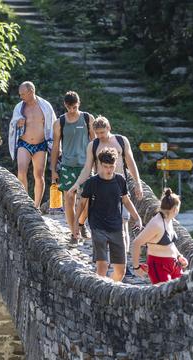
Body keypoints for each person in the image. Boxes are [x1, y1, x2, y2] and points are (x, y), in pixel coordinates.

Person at [68, 116, 143, 273]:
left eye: (102, 132)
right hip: (100, 187)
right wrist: (76, 184)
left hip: (119, 185)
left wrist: (137, 183)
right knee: (99, 222)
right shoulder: (93, 145)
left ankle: (124, 261)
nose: (100, 136)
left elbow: (131, 162)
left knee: (122, 223)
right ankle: (102, 259)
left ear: (109, 128)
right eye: (97, 133)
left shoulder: (121, 141)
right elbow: (87, 168)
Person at [77, 148, 143, 282]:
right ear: (99, 164)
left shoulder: (120, 180)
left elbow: (125, 200)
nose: (108, 170)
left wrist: (137, 217)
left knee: (121, 270)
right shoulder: (92, 182)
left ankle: (112, 291)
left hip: (116, 226)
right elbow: (82, 203)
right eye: (105, 166)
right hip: (97, 225)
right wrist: (76, 223)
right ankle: (99, 295)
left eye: (111, 166)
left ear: (115, 164)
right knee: (102, 265)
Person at [49, 91, 95, 242]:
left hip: (86, 165)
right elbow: (56, 147)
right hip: (67, 166)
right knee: (69, 199)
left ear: (79, 104)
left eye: (74, 107)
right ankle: (73, 232)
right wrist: (53, 169)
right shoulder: (59, 122)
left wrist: (97, 164)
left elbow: (95, 142)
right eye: (69, 107)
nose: (72, 110)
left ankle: (81, 224)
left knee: (86, 200)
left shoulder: (87, 118)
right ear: (65, 105)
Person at [8, 81, 57, 208]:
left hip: (41, 144)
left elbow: (53, 124)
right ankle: (25, 203)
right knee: (21, 171)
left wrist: (56, 145)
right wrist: (17, 122)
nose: (21, 97)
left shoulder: (45, 106)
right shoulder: (20, 107)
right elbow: (13, 123)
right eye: (20, 94)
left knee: (39, 174)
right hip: (24, 143)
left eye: (23, 94)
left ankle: (36, 206)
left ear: (31, 92)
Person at [132, 188, 188, 284]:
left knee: (181, 292)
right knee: (166, 296)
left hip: (174, 264)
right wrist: (136, 267)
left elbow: (170, 243)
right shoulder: (156, 224)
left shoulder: (169, 219)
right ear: (175, 209)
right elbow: (136, 243)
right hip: (159, 266)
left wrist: (179, 256)